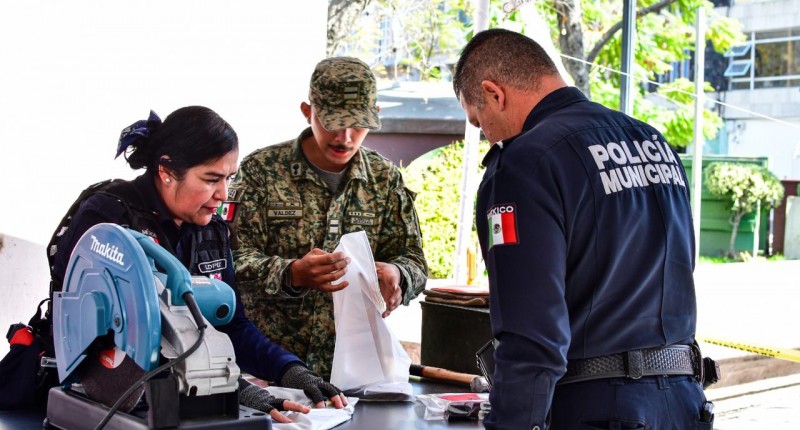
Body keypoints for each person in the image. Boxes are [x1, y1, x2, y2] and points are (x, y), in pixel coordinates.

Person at [453, 29, 712, 429]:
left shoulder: (524, 165)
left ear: (493, 94)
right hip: (684, 403)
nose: (484, 131)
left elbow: (531, 335)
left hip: (598, 409)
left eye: (478, 119)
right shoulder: (651, 140)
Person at [49, 106, 347, 422]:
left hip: (175, 400)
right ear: (166, 170)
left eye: (228, 178)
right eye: (211, 179)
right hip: (95, 394)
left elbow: (232, 324)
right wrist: (233, 388)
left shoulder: (212, 231)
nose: (223, 193)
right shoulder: (108, 219)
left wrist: (293, 371)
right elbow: (111, 340)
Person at [229, 57, 428, 378]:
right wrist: (290, 273)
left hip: (357, 370)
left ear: (375, 116)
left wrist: (398, 275)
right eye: (333, 122)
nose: (345, 137)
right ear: (308, 112)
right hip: (272, 368)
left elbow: (415, 261)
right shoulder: (261, 172)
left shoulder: (384, 179)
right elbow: (229, 263)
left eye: (358, 124)